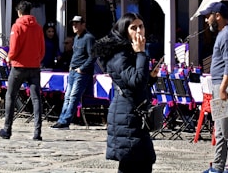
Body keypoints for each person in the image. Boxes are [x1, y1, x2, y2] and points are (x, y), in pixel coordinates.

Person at [94, 13, 157, 173]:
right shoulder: (119, 55)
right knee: (132, 162)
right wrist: (141, 54)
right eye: (133, 27)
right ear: (124, 30)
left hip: (134, 114)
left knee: (143, 161)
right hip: (126, 115)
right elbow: (135, 81)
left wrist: (150, 78)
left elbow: (136, 82)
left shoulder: (129, 51)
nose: (139, 31)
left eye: (141, 26)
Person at [199, 2, 228, 173]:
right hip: (223, 86)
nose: (205, 19)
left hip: (227, 86)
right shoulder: (225, 33)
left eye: (207, 15)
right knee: (220, 128)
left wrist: (223, 88)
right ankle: (218, 166)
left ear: (217, 15)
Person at [0, 0, 45, 141]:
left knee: (10, 95)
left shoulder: (17, 26)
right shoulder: (38, 28)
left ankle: (7, 129)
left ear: (19, 12)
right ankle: (37, 132)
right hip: (34, 67)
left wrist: (9, 58)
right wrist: (36, 59)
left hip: (18, 67)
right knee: (36, 99)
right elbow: (42, 49)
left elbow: (14, 47)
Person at [53, 15, 96, 129]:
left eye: (77, 23)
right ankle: (61, 119)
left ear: (83, 24)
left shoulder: (89, 38)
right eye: (73, 24)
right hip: (73, 71)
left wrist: (82, 68)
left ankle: (65, 121)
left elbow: (92, 56)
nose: (74, 26)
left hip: (81, 73)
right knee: (67, 97)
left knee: (73, 97)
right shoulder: (76, 38)